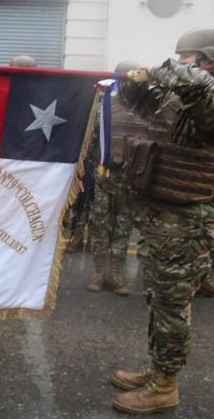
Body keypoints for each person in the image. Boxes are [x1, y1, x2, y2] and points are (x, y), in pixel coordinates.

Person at [111, 27, 214, 414]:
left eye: (183, 57)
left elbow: (196, 85)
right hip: (168, 219)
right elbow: (141, 103)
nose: (177, 63)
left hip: (190, 223)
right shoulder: (181, 98)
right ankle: (156, 370)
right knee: (161, 301)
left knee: (172, 306)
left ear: (209, 61)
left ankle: (165, 385)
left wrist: (158, 69)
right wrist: (132, 80)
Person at [86, 61, 148, 295]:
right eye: (126, 81)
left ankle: (115, 273)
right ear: (118, 81)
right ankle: (100, 272)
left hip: (132, 178)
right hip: (105, 175)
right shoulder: (104, 106)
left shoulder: (147, 109)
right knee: (101, 225)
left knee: (123, 227)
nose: (129, 86)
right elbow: (91, 141)